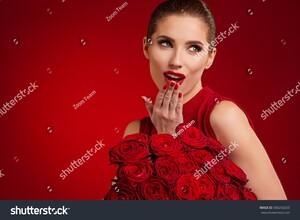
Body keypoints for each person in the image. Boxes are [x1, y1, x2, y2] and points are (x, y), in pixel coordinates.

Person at [115, 0, 287, 200]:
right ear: (146, 47)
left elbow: (277, 210)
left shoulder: (223, 117)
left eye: (194, 48)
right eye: (166, 43)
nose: (176, 61)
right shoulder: (135, 132)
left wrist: (170, 142)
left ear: (210, 57)